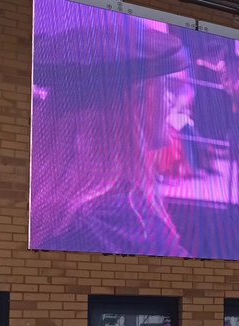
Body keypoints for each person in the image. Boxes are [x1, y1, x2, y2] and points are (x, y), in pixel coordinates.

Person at [30, 18, 189, 257]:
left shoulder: (59, 205)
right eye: (163, 87)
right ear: (135, 101)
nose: (169, 100)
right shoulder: (118, 220)